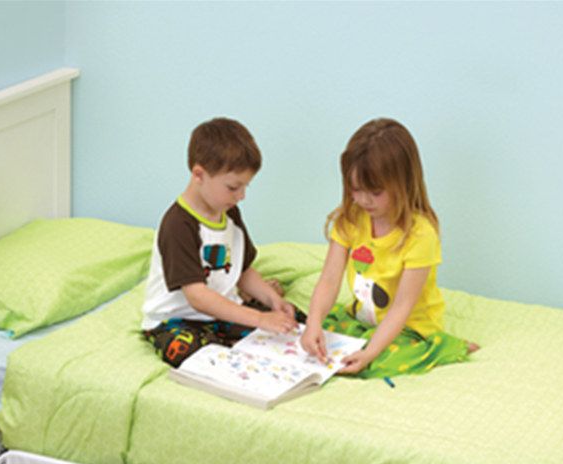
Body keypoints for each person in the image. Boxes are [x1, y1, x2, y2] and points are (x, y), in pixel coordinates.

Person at [300, 118, 476, 378]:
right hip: (362, 320)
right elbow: (329, 280)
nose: (363, 200)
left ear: (402, 184)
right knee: (316, 337)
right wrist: (313, 323)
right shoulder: (350, 219)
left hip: (408, 328)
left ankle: (445, 347)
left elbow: (402, 307)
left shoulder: (420, 234)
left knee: (381, 362)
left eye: (376, 192)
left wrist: (370, 353)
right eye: (356, 189)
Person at [142, 118, 296, 367]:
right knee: (189, 352)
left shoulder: (229, 213)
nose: (241, 196)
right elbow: (198, 297)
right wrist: (259, 318)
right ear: (199, 175)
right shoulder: (178, 225)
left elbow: (242, 270)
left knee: (290, 326)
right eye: (233, 187)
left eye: (245, 187)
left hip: (222, 314)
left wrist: (272, 300)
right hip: (177, 320)